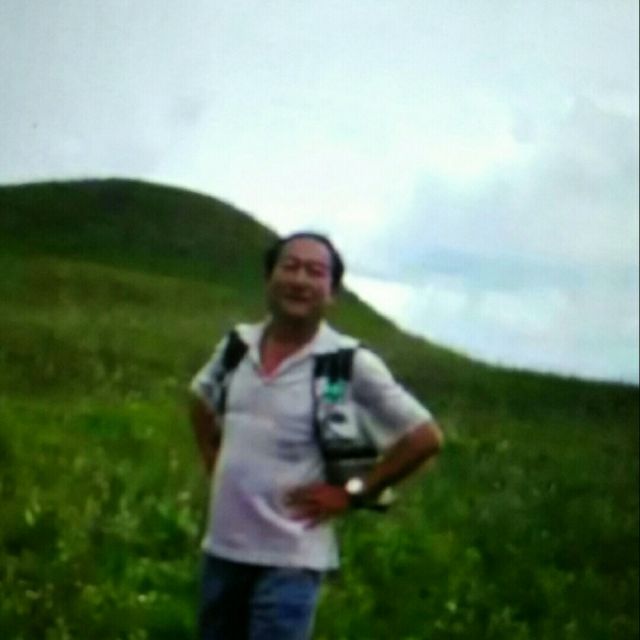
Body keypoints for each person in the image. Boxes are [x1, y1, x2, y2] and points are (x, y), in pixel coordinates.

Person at [189, 232, 443, 640]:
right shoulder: (238, 345)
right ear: (269, 278)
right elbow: (201, 398)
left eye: (315, 272)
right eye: (290, 267)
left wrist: (354, 493)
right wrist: (211, 458)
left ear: (332, 293)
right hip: (223, 550)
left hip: (291, 560)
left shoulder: (347, 362)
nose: (300, 280)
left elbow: (425, 437)